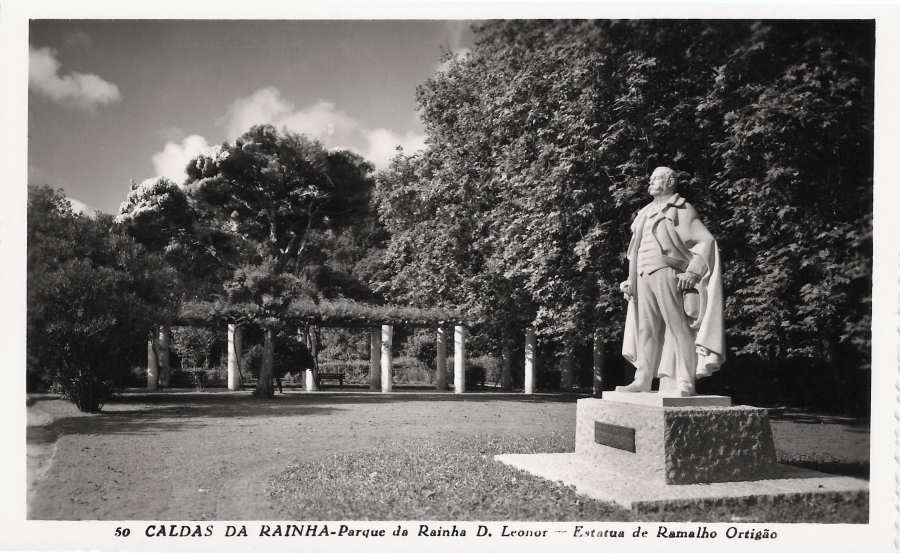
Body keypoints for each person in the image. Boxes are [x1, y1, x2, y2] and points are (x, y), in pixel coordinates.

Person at [617, 167, 725, 396]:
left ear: (669, 182)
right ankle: (642, 379)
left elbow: (706, 241)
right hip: (642, 275)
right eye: (651, 179)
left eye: (656, 179)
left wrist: (693, 272)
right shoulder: (644, 212)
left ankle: (685, 380)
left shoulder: (681, 208)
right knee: (646, 329)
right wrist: (630, 280)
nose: (651, 182)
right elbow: (635, 250)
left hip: (668, 271)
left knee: (678, 327)